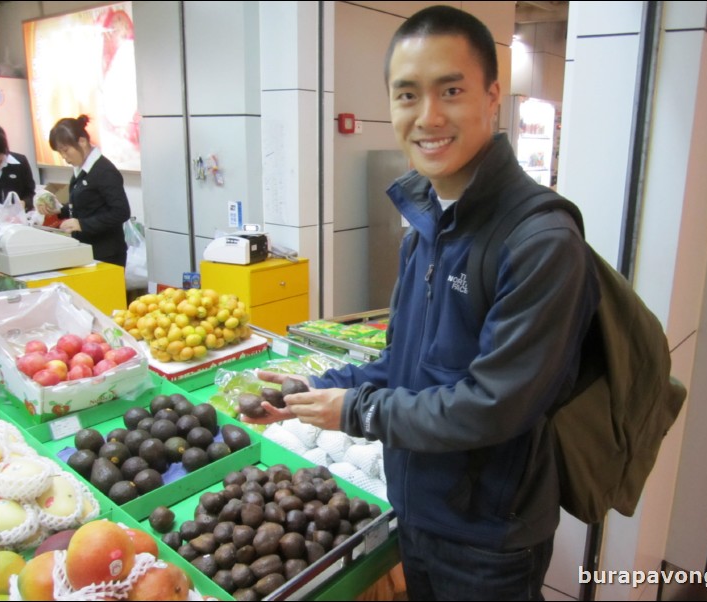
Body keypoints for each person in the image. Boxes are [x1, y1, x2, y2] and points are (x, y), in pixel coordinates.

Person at [247, 6, 600, 601]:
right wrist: (314, 389)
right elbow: (405, 365)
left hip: (490, 536)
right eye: (407, 95)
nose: (428, 116)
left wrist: (356, 411)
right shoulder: (427, 223)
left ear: (492, 97)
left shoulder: (541, 242)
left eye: (452, 90)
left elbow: (492, 406)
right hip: (417, 508)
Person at [38, 115, 131, 267]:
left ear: (82, 141)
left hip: (107, 253)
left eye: (66, 150)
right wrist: (59, 209)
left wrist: (83, 224)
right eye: (59, 152)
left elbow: (121, 212)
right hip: (86, 249)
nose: (63, 157)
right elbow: (85, 205)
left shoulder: (104, 171)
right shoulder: (81, 170)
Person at [0, 124, 36, 210]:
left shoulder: (20, 162)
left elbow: (30, 192)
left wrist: (25, 202)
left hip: (17, 218)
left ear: (5, 149)